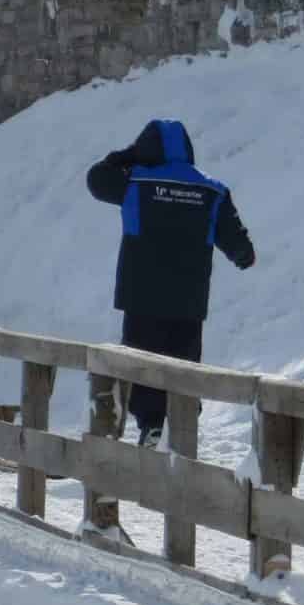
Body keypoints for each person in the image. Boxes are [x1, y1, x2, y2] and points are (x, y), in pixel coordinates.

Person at [86, 119, 256, 448]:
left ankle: (151, 427)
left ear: (147, 149)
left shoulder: (135, 183)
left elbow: (96, 179)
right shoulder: (212, 191)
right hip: (188, 303)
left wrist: (128, 156)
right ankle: (180, 433)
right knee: (184, 366)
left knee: (142, 365)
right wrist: (241, 255)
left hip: (141, 298)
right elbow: (242, 250)